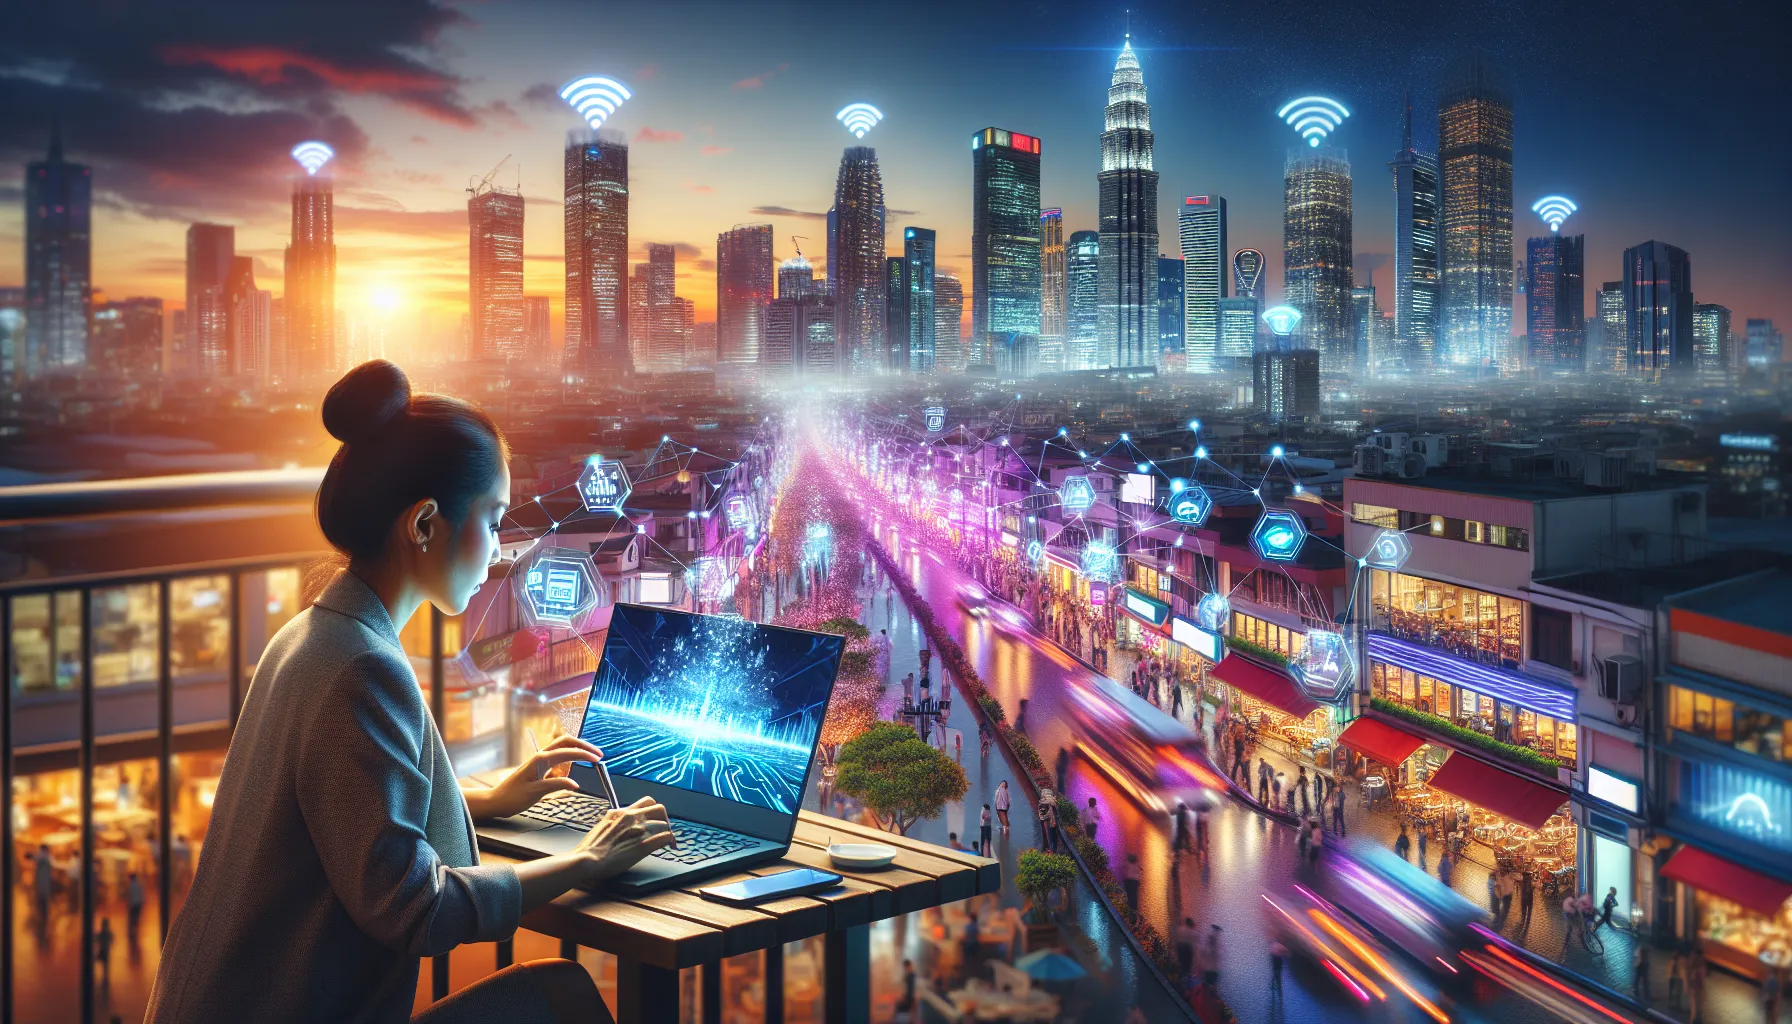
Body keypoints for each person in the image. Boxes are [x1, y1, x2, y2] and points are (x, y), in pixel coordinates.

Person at [146, 362, 674, 1024]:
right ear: (424, 524)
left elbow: (347, 816)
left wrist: (483, 797)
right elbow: (415, 910)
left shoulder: (310, 636)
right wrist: (589, 860)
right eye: (493, 517)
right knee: (560, 998)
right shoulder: (363, 669)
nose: (500, 550)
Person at [1175, 916, 1199, 981]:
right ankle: (1185, 981)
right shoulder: (1192, 932)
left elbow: (1177, 940)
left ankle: (1180, 979)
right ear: (1191, 924)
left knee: (1181, 965)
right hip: (1188, 951)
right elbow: (1194, 945)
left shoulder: (1180, 929)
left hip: (1180, 949)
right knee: (1187, 968)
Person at [1686, 948, 1707, 1022]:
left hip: (1695, 989)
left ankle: (1693, 1020)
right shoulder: (1699, 968)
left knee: (1694, 1008)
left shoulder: (1696, 968)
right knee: (1695, 1008)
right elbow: (1699, 980)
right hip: (1696, 989)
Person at [126, 872, 145, 950]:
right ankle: (135, 932)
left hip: (133, 904)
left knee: (131, 919)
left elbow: (129, 896)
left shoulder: (130, 886)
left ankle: (132, 934)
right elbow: (141, 894)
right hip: (138, 904)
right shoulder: (139, 885)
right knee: (136, 918)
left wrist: (128, 904)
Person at [96, 917, 114, 987]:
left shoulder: (105, 933)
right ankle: (105, 977)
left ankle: (105, 977)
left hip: (105, 951)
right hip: (104, 951)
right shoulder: (106, 933)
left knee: (105, 965)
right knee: (105, 965)